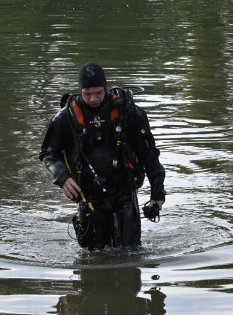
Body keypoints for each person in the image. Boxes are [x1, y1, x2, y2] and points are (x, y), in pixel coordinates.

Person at [38, 62, 165, 250]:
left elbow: (149, 154)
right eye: (87, 93)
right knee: (94, 254)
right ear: (80, 89)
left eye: (98, 92)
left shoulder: (129, 112)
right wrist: (62, 178)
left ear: (105, 87)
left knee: (131, 253)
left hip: (124, 191)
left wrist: (158, 193)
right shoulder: (65, 117)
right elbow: (48, 153)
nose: (93, 99)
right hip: (88, 195)